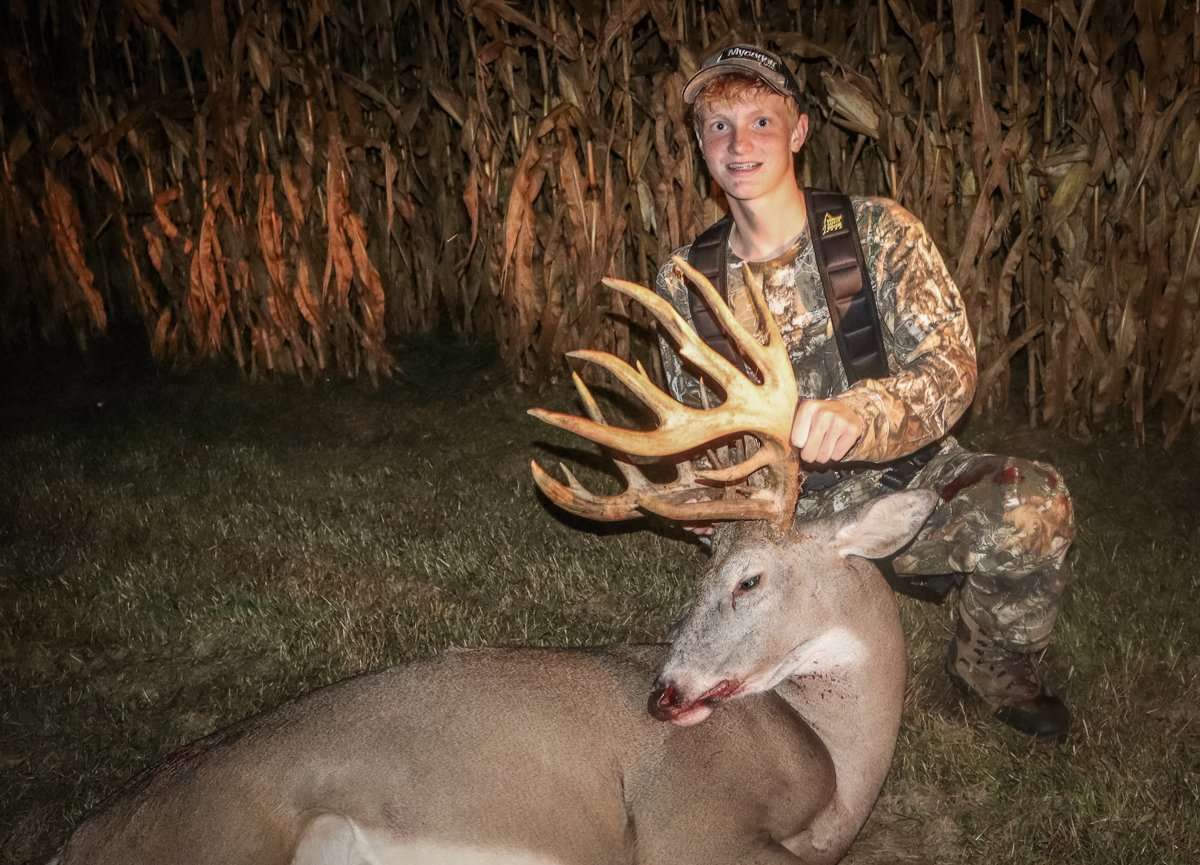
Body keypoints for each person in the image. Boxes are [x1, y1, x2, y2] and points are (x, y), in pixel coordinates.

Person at [653, 44, 1076, 740]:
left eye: (762, 121)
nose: (739, 143)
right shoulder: (687, 279)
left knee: (1034, 504)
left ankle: (992, 665)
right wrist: (699, 494)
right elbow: (693, 425)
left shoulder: (873, 233)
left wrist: (860, 413)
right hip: (777, 519)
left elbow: (949, 368)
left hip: (904, 478)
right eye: (719, 125)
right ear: (700, 141)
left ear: (798, 133)